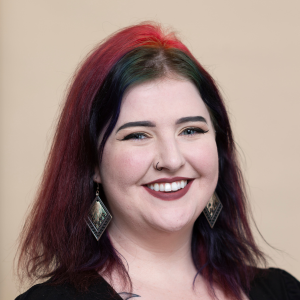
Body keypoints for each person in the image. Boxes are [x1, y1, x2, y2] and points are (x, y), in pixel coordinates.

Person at [15, 23, 300, 300]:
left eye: (191, 130)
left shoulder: (281, 290)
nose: (172, 160)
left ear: (218, 145)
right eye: (138, 135)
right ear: (92, 163)